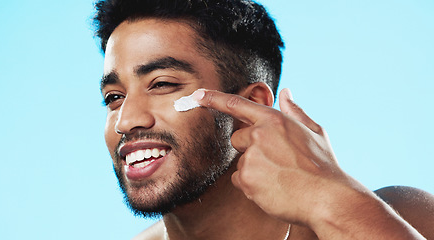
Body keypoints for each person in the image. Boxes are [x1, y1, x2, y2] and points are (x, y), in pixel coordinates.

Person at [93, 0, 434, 239]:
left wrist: (334, 200)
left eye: (162, 84)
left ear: (247, 106)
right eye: (114, 98)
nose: (125, 121)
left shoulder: (407, 218)